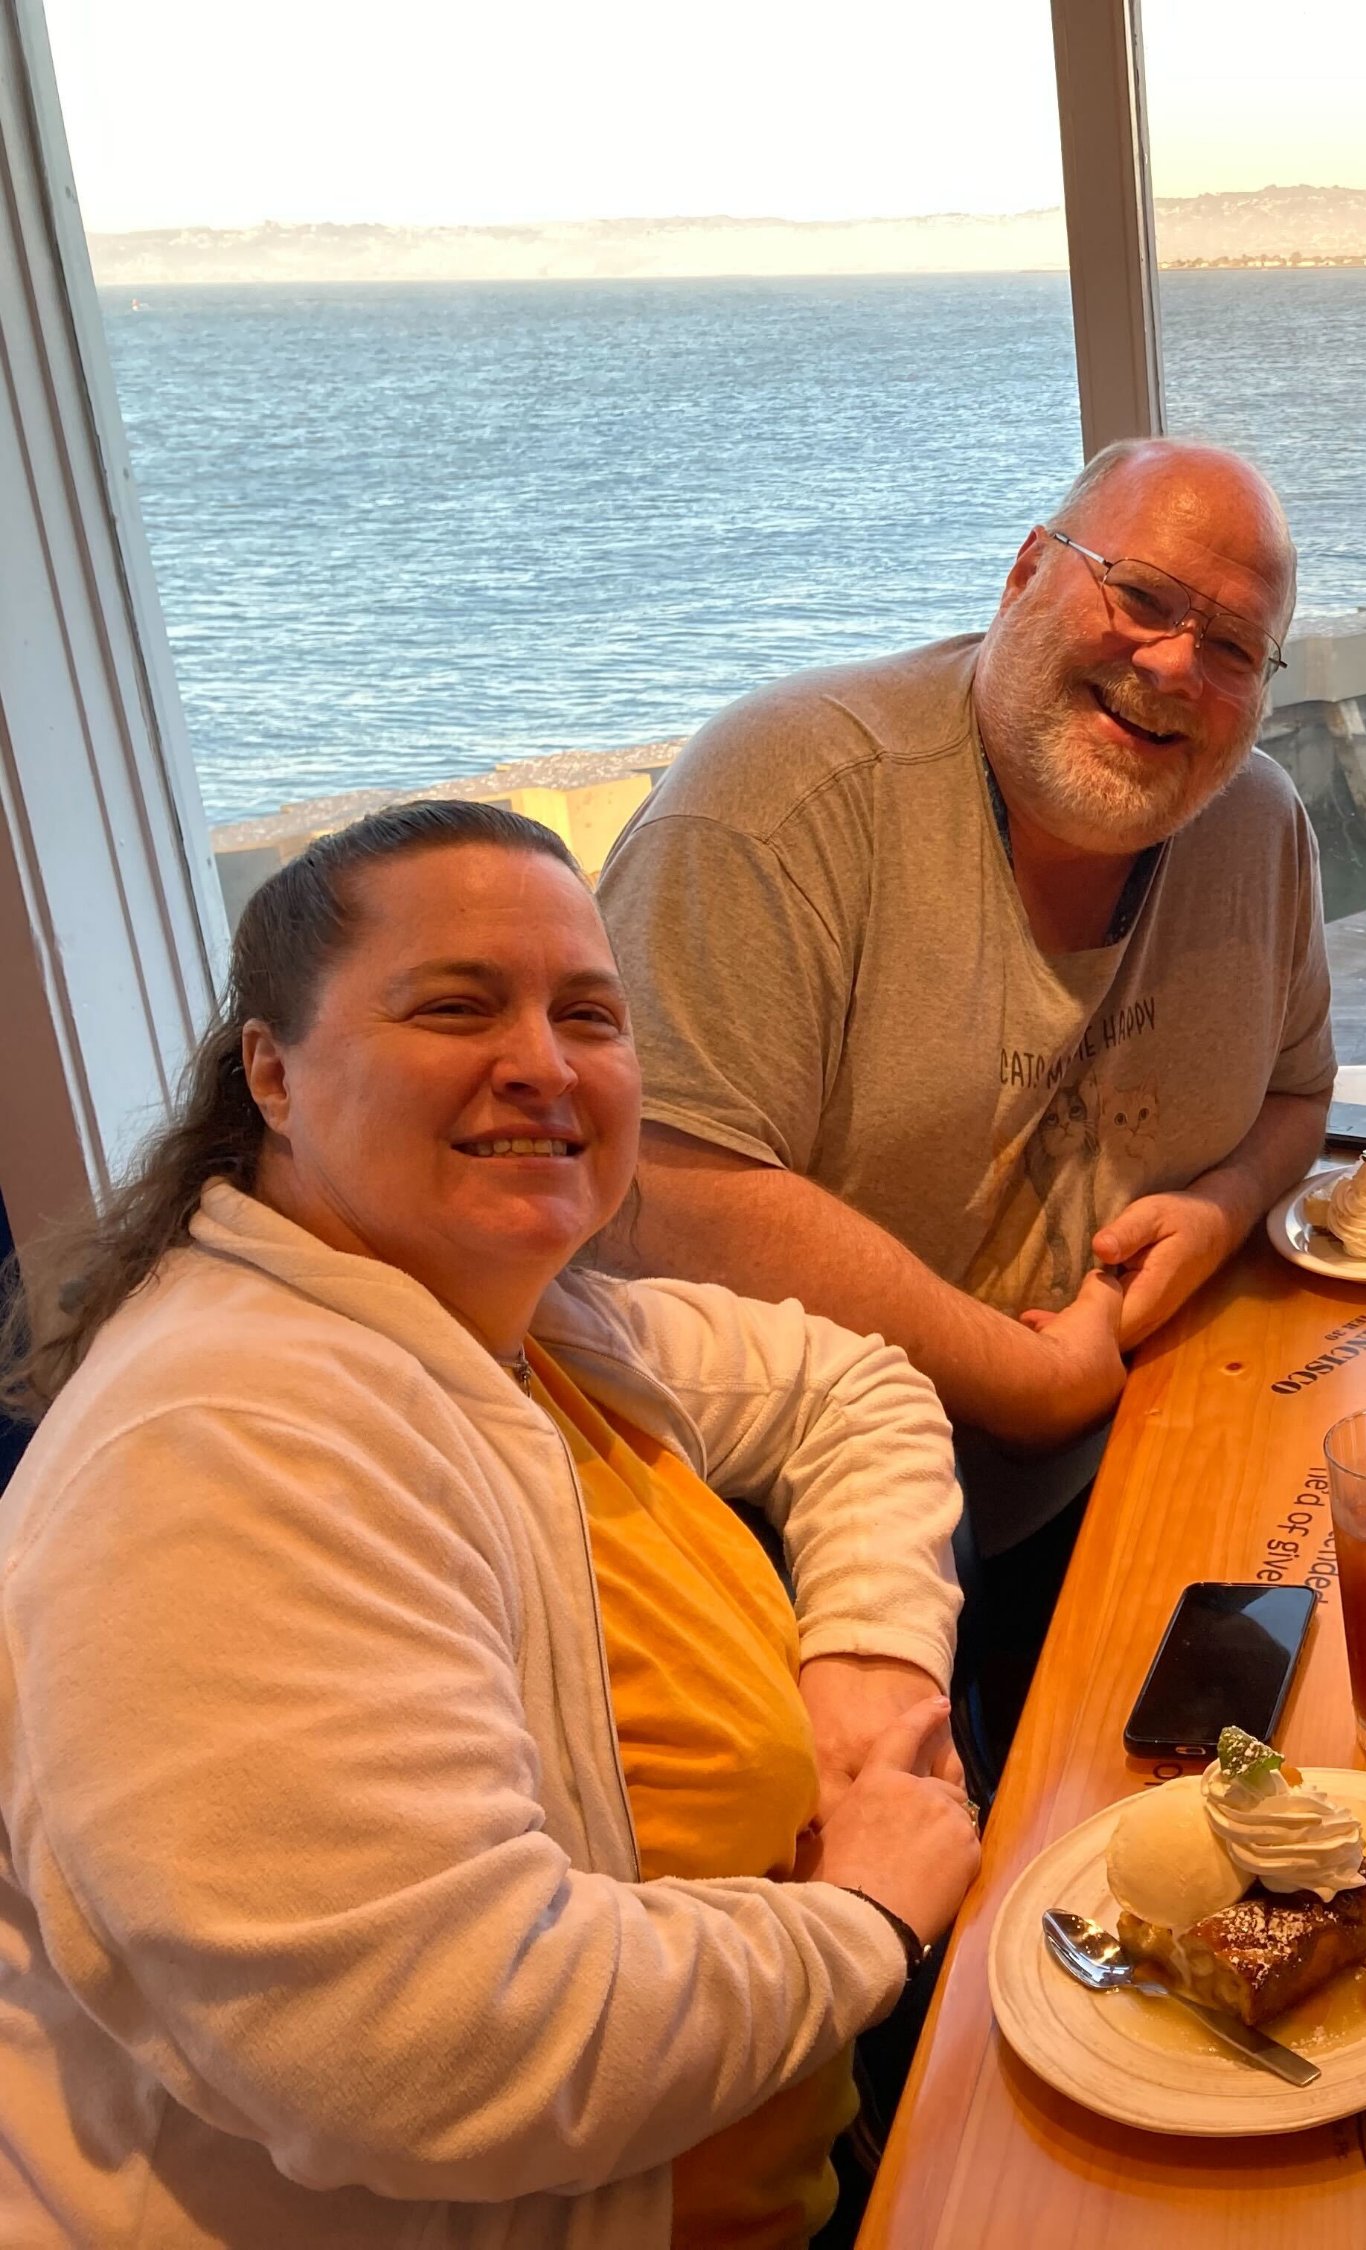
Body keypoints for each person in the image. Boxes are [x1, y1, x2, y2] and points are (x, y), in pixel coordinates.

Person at [0, 802, 985, 2246]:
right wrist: (865, 1921)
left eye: (589, 1014)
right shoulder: (221, 1447)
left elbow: (853, 1387)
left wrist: (873, 1660)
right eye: (456, 1007)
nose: (545, 1064)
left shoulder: (521, 1322)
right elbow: (424, 2045)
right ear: (272, 1072)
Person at [596, 439, 1336, 1763]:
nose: (1176, 665)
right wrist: (1029, 1380)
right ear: (1026, 572)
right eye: (1142, 597)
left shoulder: (1258, 824)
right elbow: (669, 1190)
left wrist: (1223, 1209)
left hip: (1125, 1448)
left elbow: (1298, 1087)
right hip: (776, 1521)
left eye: (1232, 647)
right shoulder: (781, 798)